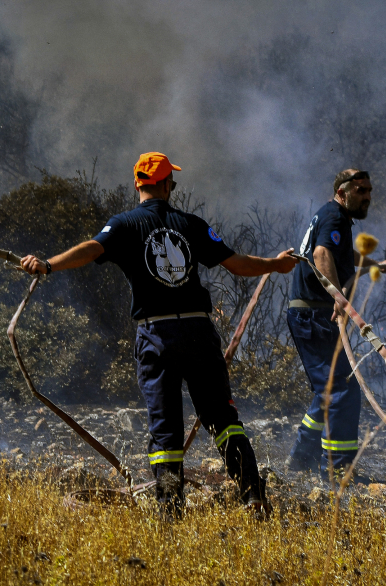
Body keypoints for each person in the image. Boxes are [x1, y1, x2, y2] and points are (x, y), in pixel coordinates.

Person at [20, 152, 297, 516]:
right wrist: (275, 265)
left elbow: (91, 249)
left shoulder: (123, 225)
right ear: (167, 185)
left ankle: (170, 511)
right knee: (224, 420)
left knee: (166, 430)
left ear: (137, 184)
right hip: (198, 330)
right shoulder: (192, 224)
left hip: (156, 335)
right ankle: (254, 498)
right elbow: (237, 264)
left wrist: (49, 264)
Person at [285, 168, 386, 477]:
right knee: (343, 390)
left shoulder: (332, 216)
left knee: (329, 388)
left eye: (369, 191)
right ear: (343, 192)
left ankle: (301, 459)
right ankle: (337, 471)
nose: (367, 197)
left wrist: (378, 264)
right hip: (315, 315)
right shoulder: (336, 217)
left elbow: (339, 253)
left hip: (308, 313)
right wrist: (338, 296)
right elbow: (323, 253)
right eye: (360, 191)